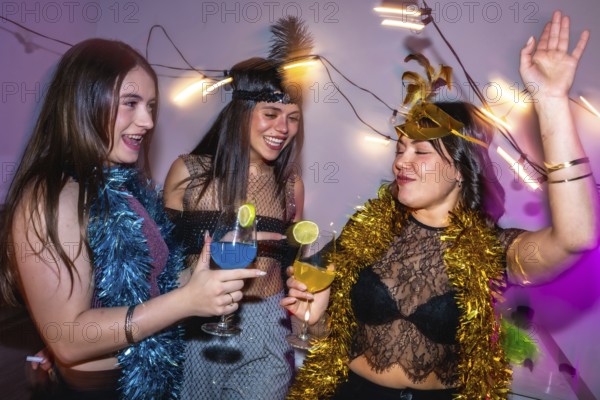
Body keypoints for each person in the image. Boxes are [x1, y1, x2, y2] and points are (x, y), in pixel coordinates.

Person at [282, 11, 598, 400]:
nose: (401, 161)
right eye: (399, 150)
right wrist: (312, 323)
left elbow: (575, 238)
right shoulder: (365, 232)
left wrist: (550, 101)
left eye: (420, 151)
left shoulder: (491, 250)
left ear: (461, 168)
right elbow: (326, 334)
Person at [0, 38, 265, 399]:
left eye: (151, 106)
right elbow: (67, 339)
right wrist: (187, 301)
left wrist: (193, 279)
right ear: (83, 102)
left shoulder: (122, 185)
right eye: (131, 104)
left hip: (147, 380)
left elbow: (144, 284)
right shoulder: (53, 196)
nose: (148, 120)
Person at [162, 56, 305, 399]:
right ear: (241, 112)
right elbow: (157, 263)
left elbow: (291, 266)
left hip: (265, 328)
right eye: (271, 114)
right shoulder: (189, 173)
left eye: (293, 118)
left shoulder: (290, 186)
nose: (283, 128)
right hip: (195, 326)